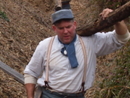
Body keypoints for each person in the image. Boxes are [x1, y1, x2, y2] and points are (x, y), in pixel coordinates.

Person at [23, 2, 130, 98]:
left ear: (75, 25)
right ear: (54, 29)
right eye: (61, 28)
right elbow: (31, 72)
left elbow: (121, 39)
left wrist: (117, 20)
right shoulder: (45, 45)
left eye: (68, 27)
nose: (65, 31)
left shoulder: (90, 41)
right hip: (49, 95)